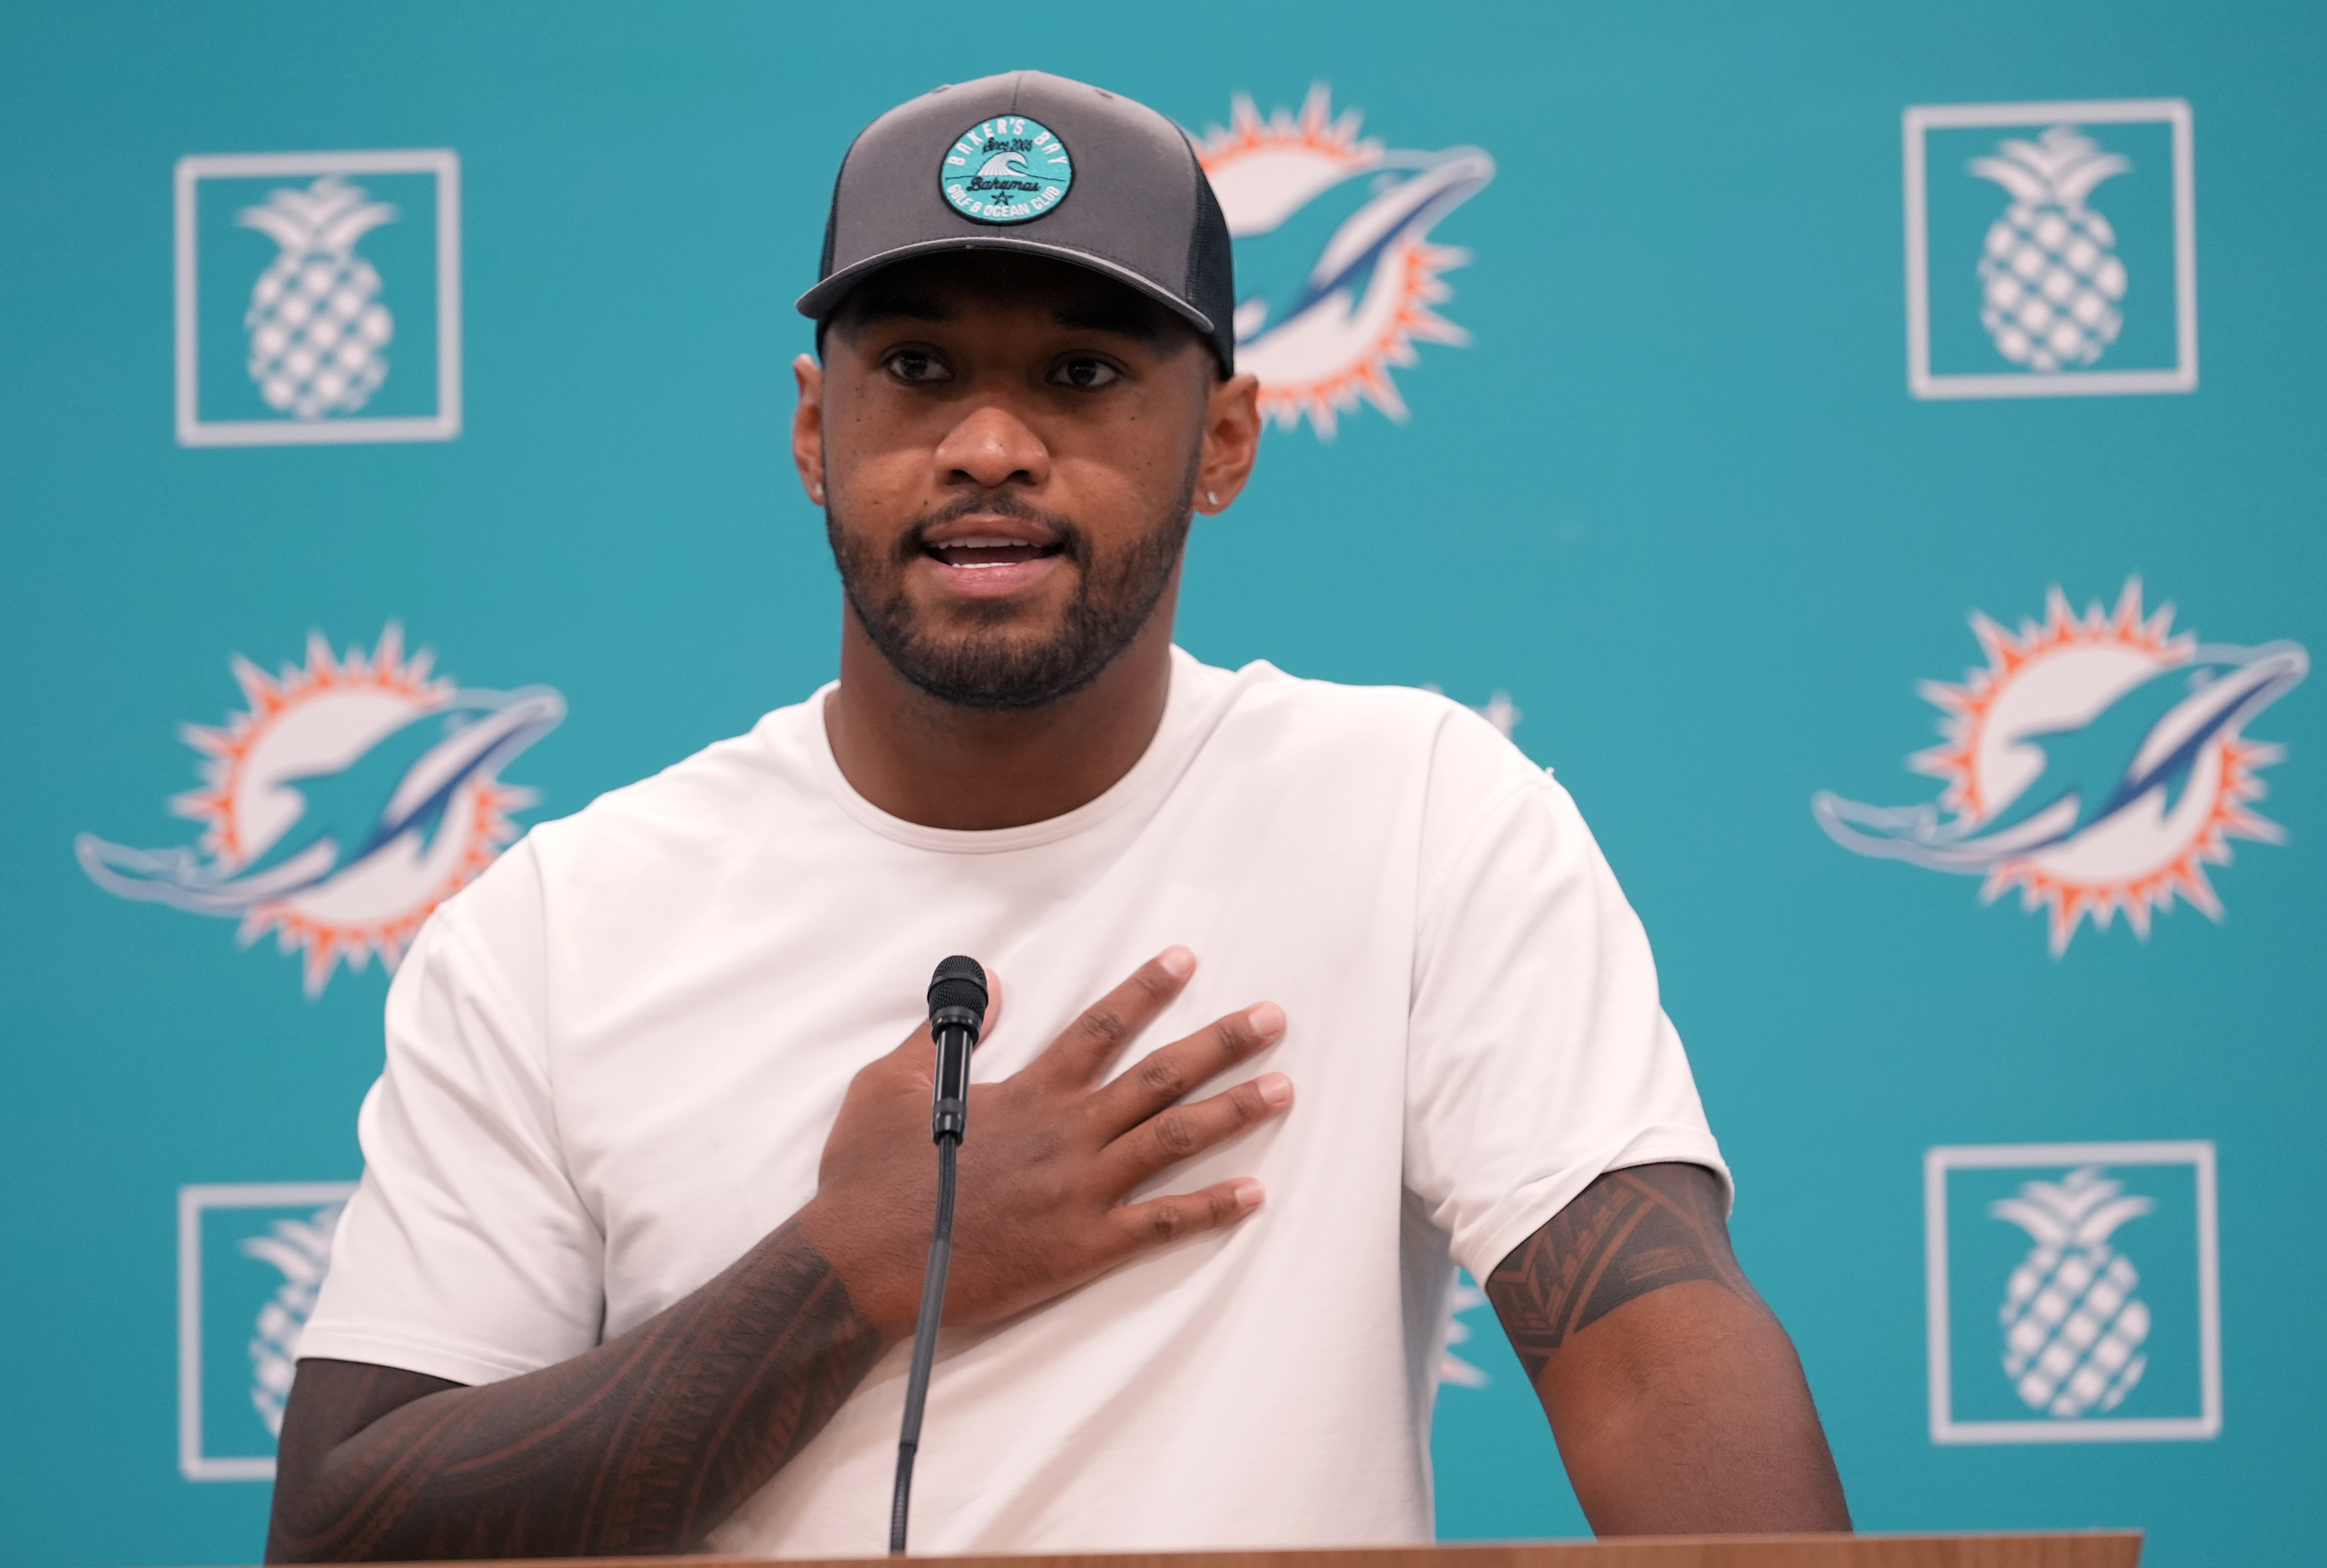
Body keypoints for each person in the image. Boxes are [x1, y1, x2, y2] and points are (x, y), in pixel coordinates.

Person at [268, 70, 1849, 1562]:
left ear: (1221, 443)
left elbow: (1651, 1344)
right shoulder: (557, 926)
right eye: (918, 370)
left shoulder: (1417, 813)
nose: (989, 446)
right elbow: (345, 1527)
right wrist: (847, 1272)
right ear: (816, 432)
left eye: (1081, 376)